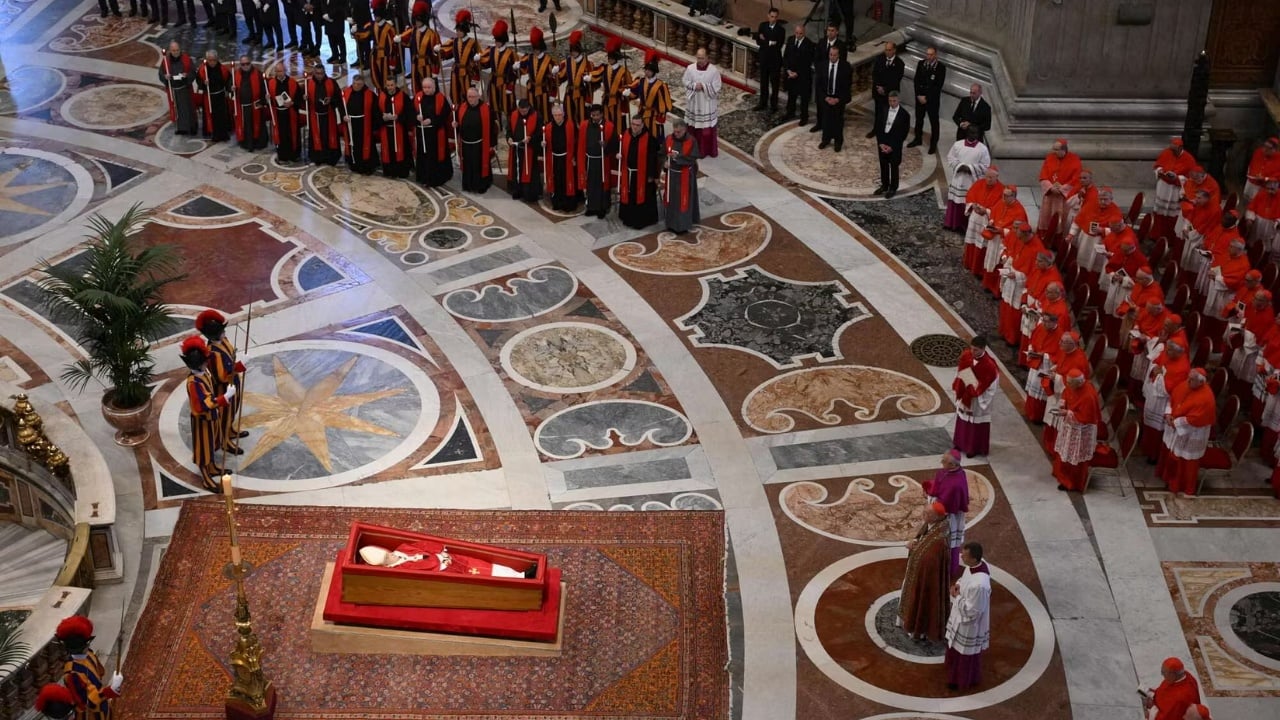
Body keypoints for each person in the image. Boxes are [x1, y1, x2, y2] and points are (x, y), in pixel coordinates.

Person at [195, 310, 247, 457]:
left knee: (233, 410)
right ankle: (224, 440)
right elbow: (221, 376)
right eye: (221, 331)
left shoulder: (224, 341)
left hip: (234, 382)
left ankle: (230, 430)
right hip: (224, 388)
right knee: (225, 415)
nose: (224, 332)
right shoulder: (212, 352)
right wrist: (240, 366)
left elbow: (231, 354)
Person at [1157, 369, 1216, 496]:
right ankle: (1169, 478)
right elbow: (1172, 399)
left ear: (1201, 382)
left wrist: (1174, 423)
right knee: (1171, 453)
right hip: (1175, 426)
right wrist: (1168, 414)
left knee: (1185, 460)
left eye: (1191, 380)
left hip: (1192, 433)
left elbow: (1194, 419)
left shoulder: (1206, 398)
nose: (1187, 381)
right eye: (1188, 378)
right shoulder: (1186, 385)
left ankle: (1180, 486)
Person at [899, 501, 952, 641]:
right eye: (924, 510)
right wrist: (914, 543)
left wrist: (913, 548)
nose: (923, 514)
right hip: (916, 572)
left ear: (936, 518)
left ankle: (919, 629)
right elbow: (921, 539)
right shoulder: (932, 525)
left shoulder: (940, 540)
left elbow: (929, 560)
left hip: (925, 579)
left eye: (927, 513)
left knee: (923, 599)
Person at [55, 616, 123, 720]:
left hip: (102, 705)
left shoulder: (89, 653)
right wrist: (111, 690)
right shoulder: (71, 674)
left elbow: (100, 673)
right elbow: (88, 701)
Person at [944, 542, 991, 691]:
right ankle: (953, 671)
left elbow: (973, 611)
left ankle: (961, 679)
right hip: (961, 614)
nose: (961, 557)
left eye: (964, 555)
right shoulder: (976, 566)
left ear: (973, 558)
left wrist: (957, 597)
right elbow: (965, 579)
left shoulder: (980, 585)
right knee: (956, 649)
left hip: (969, 624)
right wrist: (958, 585)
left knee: (965, 653)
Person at [359, 541, 534, 578]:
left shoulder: (401, 549)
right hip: (448, 570)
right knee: (483, 574)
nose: (392, 555)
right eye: (388, 558)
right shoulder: (399, 570)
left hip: (450, 558)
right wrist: (440, 559)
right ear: (385, 564)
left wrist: (439, 551)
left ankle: (518, 574)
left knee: (485, 565)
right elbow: (424, 568)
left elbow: (423, 546)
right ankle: (521, 580)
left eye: (388, 553)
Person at [1051, 369, 1101, 492]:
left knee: (1075, 456)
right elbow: (1066, 393)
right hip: (1070, 425)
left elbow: (1085, 418)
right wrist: (1062, 406)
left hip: (1081, 431)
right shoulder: (1072, 385)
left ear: (1079, 383)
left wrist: (1067, 412)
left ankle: (1071, 483)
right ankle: (1061, 475)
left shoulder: (1088, 395)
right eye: (1067, 382)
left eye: (1070, 383)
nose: (1067, 385)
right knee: (1065, 451)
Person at [1140, 339, 1190, 461]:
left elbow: (1168, 388)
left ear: (1178, 352)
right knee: (1149, 425)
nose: (1166, 352)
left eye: (1169, 350)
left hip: (1163, 402)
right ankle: (1145, 447)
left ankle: (1154, 455)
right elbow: (1157, 363)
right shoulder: (1170, 356)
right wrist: (1157, 371)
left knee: (1157, 430)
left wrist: (1159, 375)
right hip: (1155, 397)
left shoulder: (1182, 367)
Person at [922, 449, 970, 575]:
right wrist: (930, 492)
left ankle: (948, 571)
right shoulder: (944, 471)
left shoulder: (956, 484)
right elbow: (939, 487)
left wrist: (930, 498)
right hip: (940, 510)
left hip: (949, 517)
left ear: (953, 465)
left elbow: (946, 505)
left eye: (944, 461)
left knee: (949, 543)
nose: (941, 462)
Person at [951, 336, 998, 458]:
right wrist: (962, 384)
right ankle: (959, 443)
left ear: (983, 349)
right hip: (965, 393)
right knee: (962, 419)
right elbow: (960, 371)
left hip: (977, 399)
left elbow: (992, 385)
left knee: (974, 425)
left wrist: (976, 390)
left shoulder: (990, 366)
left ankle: (973, 448)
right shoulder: (966, 355)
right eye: (971, 349)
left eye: (976, 350)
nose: (972, 352)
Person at [981, 186, 1029, 294]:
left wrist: (1002, 231)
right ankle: (988, 284)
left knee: (999, 263)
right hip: (994, 238)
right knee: (990, 260)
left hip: (1005, 241)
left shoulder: (1019, 211)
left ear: (1014, 196)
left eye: (1006, 196)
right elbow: (994, 212)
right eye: (1003, 195)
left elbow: (1019, 233)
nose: (1003, 197)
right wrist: (991, 223)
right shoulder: (1001, 202)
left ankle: (996, 290)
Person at [943, 129, 990, 231]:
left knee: (968, 202)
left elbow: (986, 165)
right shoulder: (958, 144)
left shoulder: (983, 149)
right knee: (955, 201)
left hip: (971, 179)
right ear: (967, 133)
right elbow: (950, 157)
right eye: (971, 132)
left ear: (978, 134)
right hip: (958, 177)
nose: (973, 134)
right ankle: (952, 223)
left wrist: (970, 168)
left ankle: (966, 226)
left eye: (975, 132)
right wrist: (959, 166)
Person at [619, 115, 660, 229]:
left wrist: (652, 175)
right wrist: (619, 155)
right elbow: (621, 148)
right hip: (629, 173)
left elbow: (653, 159)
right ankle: (628, 218)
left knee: (643, 197)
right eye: (633, 124)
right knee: (628, 196)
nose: (635, 127)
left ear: (642, 125)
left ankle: (641, 221)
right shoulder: (626, 134)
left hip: (643, 175)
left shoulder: (649, 139)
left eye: (637, 125)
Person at [661, 118, 701, 234]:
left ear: (685, 130)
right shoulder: (669, 139)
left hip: (685, 176)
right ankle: (671, 223)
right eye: (675, 131)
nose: (676, 134)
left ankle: (683, 225)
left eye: (679, 132)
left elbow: (693, 158)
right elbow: (662, 153)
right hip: (672, 175)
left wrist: (676, 158)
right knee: (672, 200)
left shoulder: (691, 141)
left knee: (683, 201)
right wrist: (665, 162)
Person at [457, 86, 498, 194]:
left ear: (478, 96)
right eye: (469, 97)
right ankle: (468, 185)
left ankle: (481, 185)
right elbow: (459, 124)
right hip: (466, 143)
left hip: (480, 144)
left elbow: (492, 128)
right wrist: (456, 124)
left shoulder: (486, 109)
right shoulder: (462, 107)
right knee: (468, 165)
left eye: (473, 97)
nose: (471, 99)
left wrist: (492, 144)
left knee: (479, 165)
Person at [961, 166, 1004, 272]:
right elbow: (970, 196)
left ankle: (978, 268)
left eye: (991, 177)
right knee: (972, 242)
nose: (988, 179)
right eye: (987, 177)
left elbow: (1000, 208)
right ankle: (969, 263)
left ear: (997, 177)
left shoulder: (1002, 189)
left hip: (986, 220)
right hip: (975, 219)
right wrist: (973, 205)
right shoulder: (979, 183)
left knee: (982, 246)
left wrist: (987, 211)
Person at [1152, 137, 1196, 239]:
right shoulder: (1167, 152)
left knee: (1173, 215)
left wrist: (1177, 177)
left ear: (1180, 148)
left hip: (1175, 190)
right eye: (1171, 149)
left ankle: (1170, 237)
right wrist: (1159, 171)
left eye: (1174, 150)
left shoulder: (1189, 159)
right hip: (1163, 187)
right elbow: (1157, 165)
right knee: (1159, 213)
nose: (1172, 152)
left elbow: (1191, 179)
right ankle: (1156, 235)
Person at [578, 104, 617, 219]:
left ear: (602, 114)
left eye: (597, 115)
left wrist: (606, 145)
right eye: (593, 115)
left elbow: (615, 144)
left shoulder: (609, 126)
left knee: (602, 184)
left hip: (602, 160)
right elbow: (581, 143)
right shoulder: (585, 125)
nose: (595, 117)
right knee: (590, 184)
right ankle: (591, 207)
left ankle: (602, 208)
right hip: (590, 159)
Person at [683, 48, 722, 158]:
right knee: (692, 127)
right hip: (694, 102)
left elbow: (717, 86)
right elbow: (685, 81)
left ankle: (706, 151)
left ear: (707, 57)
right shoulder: (690, 68)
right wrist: (695, 86)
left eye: (702, 58)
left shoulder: (713, 71)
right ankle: (691, 149)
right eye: (698, 58)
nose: (700, 60)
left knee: (706, 130)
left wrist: (704, 87)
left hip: (706, 103)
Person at [1037, 139, 1082, 235]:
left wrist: (1062, 188)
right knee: (1046, 215)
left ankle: (1058, 238)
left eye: (1056, 150)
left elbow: (1077, 178)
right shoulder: (1050, 158)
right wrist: (1050, 187)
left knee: (1062, 217)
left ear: (1064, 150)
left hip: (1063, 195)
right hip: (1050, 193)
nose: (1054, 152)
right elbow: (1043, 174)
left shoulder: (1074, 160)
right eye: (1053, 149)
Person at [414, 77, 453, 187]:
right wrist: (417, 117)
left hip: (436, 133)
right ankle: (423, 177)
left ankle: (437, 178)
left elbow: (445, 115)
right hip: (422, 132)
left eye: (429, 87)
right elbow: (412, 111)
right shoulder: (418, 97)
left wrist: (431, 120)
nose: (426, 90)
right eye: (424, 87)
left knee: (436, 155)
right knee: (423, 155)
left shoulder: (441, 98)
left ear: (434, 87)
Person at [351, 0, 399, 91]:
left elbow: (394, 46)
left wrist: (393, 62)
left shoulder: (389, 28)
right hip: (375, 55)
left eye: (376, 15)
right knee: (375, 76)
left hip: (386, 57)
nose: (374, 16)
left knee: (386, 78)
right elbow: (364, 35)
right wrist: (355, 32)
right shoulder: (372, 25)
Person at [480, 20, 519, 126]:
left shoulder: (511, 54)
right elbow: (486, 64)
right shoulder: (492, 51)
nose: (496, 43)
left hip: (506, 83)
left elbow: (515, 74)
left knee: (508, 106)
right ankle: (498, 125)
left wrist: (511, 85)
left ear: (503, 40)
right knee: (494, 105)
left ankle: (511, 126)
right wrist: (479, 59)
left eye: (498, 41)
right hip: (493, 82)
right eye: (495, 41)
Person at [627, 50, 672, 140]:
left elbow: (665, 105)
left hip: (654, 117)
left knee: (653, 137)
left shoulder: (661, 86)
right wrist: (629, 94)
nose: (646, 72)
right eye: (646, 70)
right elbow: (635, 93)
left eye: (649, 70)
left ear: (654, 71)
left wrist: (661, 118)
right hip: (641, 113)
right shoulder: (641, 81)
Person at [440, 10, 482, 108]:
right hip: (456, 72)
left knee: (469, 94)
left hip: (468, 73)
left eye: (460, 31)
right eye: (457, 30)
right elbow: (448, 53)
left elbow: (479, 59)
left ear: (465, 31)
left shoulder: (473, 43)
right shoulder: (454, 42)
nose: (457, 32)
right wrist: (440, 52)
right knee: (455, 94)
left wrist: (477, 62)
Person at [303, 63, 342, 165]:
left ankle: (331, 158)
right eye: (317, 73)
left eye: (321, 73)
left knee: (329, 137)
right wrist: (305, 98)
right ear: (314, 73)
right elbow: (301, 99)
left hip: (329, 115)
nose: (319, 76)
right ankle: (318, 158)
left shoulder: (332, 82)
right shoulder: (308, 84)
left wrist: (331, 100)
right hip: (315, 116)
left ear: (325, 72)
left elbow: (339, 98)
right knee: (317, 137)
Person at [593, 37, 634, 134]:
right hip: (606, 101)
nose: (609, 59)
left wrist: (626, 92)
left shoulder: (624, 72)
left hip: (618, 102)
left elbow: (629, 86)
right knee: (606, 123)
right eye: (609, 57)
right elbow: (596, 75)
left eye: (611, 58)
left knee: (618, 126)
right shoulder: (605, 68)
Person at [159, 41, 200, 136]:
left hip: (185, 89)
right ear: (170, 50)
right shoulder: (166, 61)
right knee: (177, 109)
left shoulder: (186, 59)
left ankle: (192, 127)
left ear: (180, 49)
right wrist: (165, 76)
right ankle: (181, 128)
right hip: (174, 90)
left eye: (177, 50)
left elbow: (193, 72)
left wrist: (187, 75)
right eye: (173, 50)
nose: (176, 52)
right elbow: (161, 73)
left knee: (188, 109)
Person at [543, 104, 579, 213]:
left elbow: (576, 142)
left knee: (567, 180)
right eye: (555, 115)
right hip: (554, 158)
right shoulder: (549, 127)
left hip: (567, 158)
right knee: (557, 180)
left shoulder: (570, 126)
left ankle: (568, 204)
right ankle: (557, 202)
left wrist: (574, 158)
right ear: (552, 116)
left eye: (559, 115)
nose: (558, 117)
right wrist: (543, 144)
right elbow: (546, 143)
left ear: (563, 114)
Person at [340, 73, 379, 175]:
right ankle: (353, 163)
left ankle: (366, 166)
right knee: (353, 144)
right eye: (354, 84)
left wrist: (374, 126)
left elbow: (376, 111)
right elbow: (341, 107)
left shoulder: (370, 94)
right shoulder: (347, 92)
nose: (356, 86)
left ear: (363, 84)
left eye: (359, 84)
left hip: (364, 124)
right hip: (351, 123)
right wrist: (343, 116)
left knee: (365, 145)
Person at [910, 46, 946, 153]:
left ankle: (933, 144)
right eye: (927, 54)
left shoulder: (941, 68)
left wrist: (927, 98)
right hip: (920, 98)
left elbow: (938, 86)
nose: (928, 56)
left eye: (931, 54)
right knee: (919, 119)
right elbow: (916, 81)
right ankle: (917, 139)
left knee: (934, 122)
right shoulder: (921, 64)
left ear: (935, 55)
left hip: (932, 100)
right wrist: (918, 95)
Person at [816, 44, 851, 153]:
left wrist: (838, 99)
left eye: (834, 55)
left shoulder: (845, 67)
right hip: (826, 98)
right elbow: (819, 85)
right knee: (826, 120)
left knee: (838, 121)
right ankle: (825, 140)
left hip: (838, 99)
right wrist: (825, 97)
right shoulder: (822, 65)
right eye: (831, 55)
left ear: (838, 55)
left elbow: (847, 86)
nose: (832, 57)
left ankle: (838, 141)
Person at [875, 92, 910, 197]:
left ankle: (893, 188)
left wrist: (892, 146)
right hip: (883, 141)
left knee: (894, 166)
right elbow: (878, 126)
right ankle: (884, 185)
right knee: (883, 165)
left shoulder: (904, 115)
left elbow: (903, 134)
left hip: (895, 145)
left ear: (898, 100)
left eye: (894, 101)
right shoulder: (883, 109)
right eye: (890, 100)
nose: (892, 103)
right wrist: (880, 143)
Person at [231, 57, 269, 152]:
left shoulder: (258, 74)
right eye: (243, 64)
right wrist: (232, 88)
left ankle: (259, 143)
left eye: (247, 63)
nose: (245, 66)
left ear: (250, 63)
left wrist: (263, 102)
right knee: (246, 126)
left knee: (257, 125)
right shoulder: (236, 74)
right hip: (243, 106)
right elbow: (231, 85)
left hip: (255, 105)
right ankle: (247, 144)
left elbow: (264, 88)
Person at [266, 65, 303, 163]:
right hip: (278, 114)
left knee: (293, 135)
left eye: (281, 71)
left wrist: (292, 103)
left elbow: (299, 98)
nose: (279, 74)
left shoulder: (293, 83)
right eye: (277, 71)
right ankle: (283, 156)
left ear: (285, 71)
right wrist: (267, 98)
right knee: (281, 135)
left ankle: (294, 155)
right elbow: (267, 101)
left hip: (291, 113)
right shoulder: (271, 83)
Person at [378, 78, 414, 178]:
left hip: (399, 129)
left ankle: (401, 171)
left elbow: (409, 112)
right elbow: (376, 111)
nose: (390, 88)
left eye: (392, 85)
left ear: (396, 84)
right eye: (388, 85)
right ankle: (389, 172)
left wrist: (398, 117)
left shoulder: (403, 96)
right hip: (386, 128)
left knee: (400, 150)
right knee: (387, 151)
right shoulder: (381, 96)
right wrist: (383, 117)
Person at [507, 99, 542, 202]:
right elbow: (509, 130)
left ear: (529, 108)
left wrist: (530, 138)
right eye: (521, 111)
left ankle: (529, 194)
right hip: (516, 149)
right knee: (517, 170)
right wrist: (509, 138)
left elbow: (539, 133)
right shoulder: (514, 115)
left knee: (529, 173)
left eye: (525, 111)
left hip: (529, 149)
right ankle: (517, 191)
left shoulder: (536, 116)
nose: (523, 113)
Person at [866, 42, 903, 138]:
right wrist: (878, 87)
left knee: (888, 114)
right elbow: (875, 74)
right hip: (878, 91)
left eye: (889, 50)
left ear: (894, 50)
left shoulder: (899, 63)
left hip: (890, 94)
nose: (887, 52)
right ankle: (876, 130)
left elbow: (896, 80)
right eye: (886, 49)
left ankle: (886, 132)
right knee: (878, 112)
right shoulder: (879, 59)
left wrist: (885, 89)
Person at [196, 51, 233, 143]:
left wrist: (230, 88)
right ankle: (211, 132)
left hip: (220, 96)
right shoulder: (202, 70)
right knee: (210, 116)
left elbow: (228, 80)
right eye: (210, 60)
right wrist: (204, 83)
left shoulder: (223, 69)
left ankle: (223, 134)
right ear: (207, 60)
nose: (212, 62)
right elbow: (198, 81)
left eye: (214, 60)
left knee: (221, 116)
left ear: (217, 59)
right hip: (208, 96)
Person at [781, 23, 814, 126]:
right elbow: (785, 56)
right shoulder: (791, 40)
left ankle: (804, 117)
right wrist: (788, 70)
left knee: (804, 99)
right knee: (791, 95)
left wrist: (797, 73)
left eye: (800, 33)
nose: (798, 35)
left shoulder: (809, 44)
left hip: (803, 76)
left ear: (804, 33)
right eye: (796, 33)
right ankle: (790, 112)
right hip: (790, 74)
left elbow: (808, 62)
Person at [402, 2, 441, 90]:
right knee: (417, 87)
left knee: (429, 88)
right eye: (416, 20)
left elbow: (436, 56)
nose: (417, 22)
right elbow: (405, 40)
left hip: (427, 65)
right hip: (415, 64)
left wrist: (435, 70)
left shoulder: (432, 34)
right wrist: (399, 39)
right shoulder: (413, 31)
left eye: (418, 20)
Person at [523, 27, 558, 121]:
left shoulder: (549, 61)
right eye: (534, 49)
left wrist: (553, 94)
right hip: (532, 90)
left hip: (544, 92)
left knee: (545, 114)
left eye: (537, 49)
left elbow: (554, 80)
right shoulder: (529, 58)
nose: (535, 51)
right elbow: (522, 67)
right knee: (532, 114)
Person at [754, 7, 785, 112]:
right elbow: (758, 41)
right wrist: (770, 42)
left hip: (775, 61)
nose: (773, 19)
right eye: (772, 16)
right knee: (763, 82)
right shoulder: (762, 26)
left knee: (774, 84)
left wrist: (765, 40)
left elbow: (778, 45)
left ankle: (773, 105)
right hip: (764, 59)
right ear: (768, 16)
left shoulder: (781, 30)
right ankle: (762, 103)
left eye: (776, 17)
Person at [561, 31, 594, 126]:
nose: (573, 53)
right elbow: (562, 76)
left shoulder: (588, 64)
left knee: (582, 117)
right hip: (569, 93)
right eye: (572, 51)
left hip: (581, 94)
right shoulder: (568, 62)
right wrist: (556, 74)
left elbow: (591, 85)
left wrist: (589, 80)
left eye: (575, 51)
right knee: (568, 115)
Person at [1245, 178, 1280, 257]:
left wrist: (1277, 223)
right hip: (1258, 223)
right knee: (1253, 243)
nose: (1270, 191)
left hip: (1271, 226)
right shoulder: (1261, 193)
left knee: (1266, 247)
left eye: (1272, 189)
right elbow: (1252, 207)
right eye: (1268, 189)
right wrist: (1250, 219)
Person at [1244, 136, 1280, 203]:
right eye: (1264, 146)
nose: (1264, 150)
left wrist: (1265, 178)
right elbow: (1252, 165)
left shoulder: (1278, 159)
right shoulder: (1258, 152)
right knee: (1248, 203)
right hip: (1252, 183)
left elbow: (1277, 178)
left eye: (1268, 148)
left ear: (1275, 150)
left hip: (1267, 188)